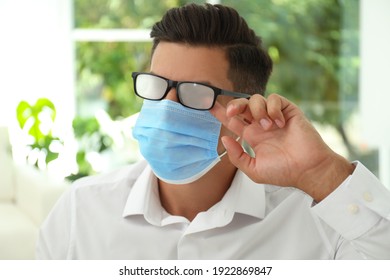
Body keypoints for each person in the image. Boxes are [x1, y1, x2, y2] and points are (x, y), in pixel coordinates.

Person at [36, 3, 390, 259]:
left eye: (195, 92)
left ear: (249, 107)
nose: (166, 105)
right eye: (157, 85)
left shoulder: (319, 222)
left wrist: (324, 173)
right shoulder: (80, 211)